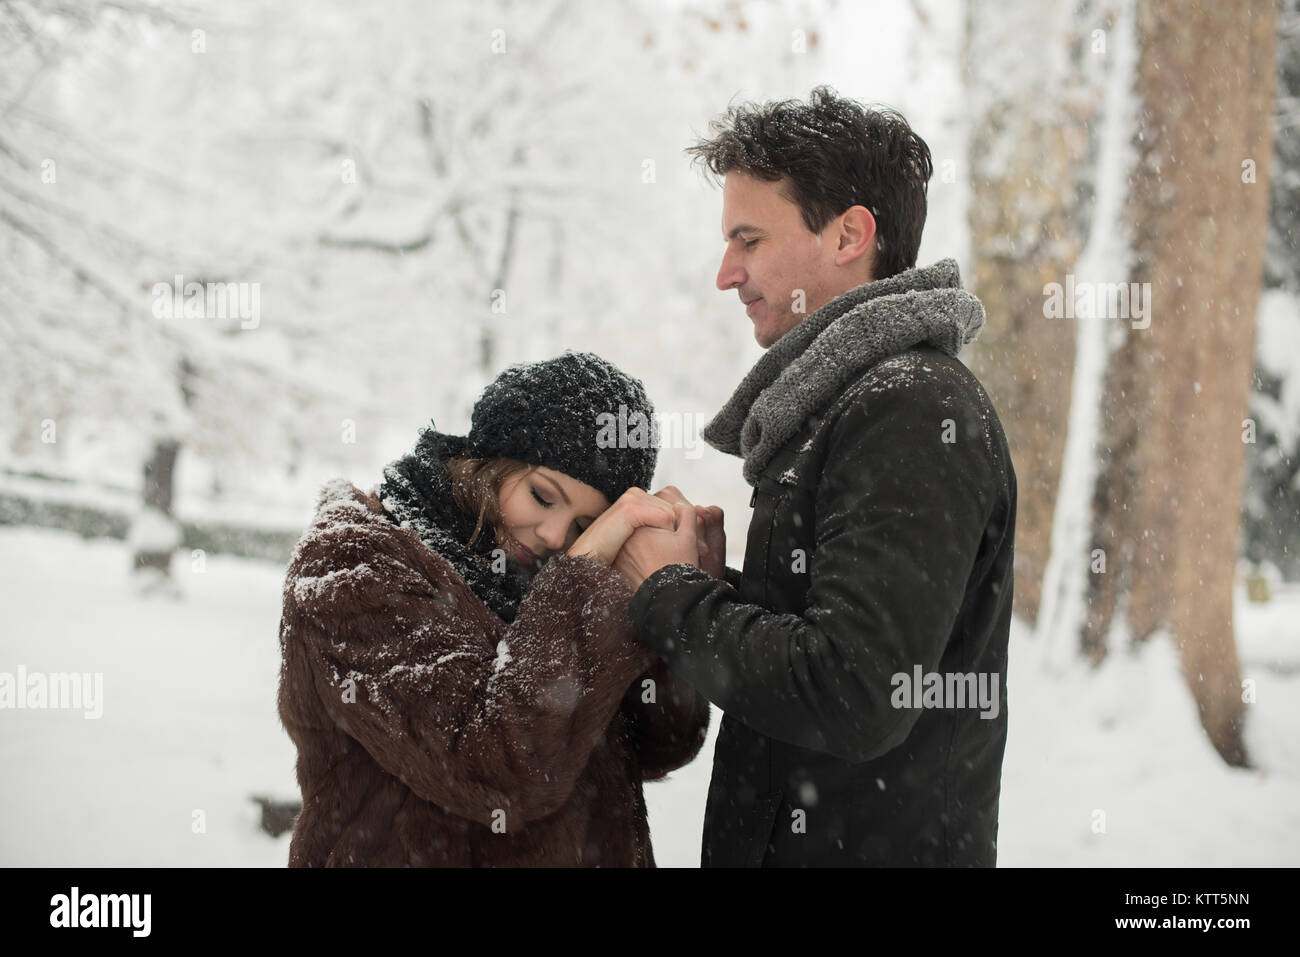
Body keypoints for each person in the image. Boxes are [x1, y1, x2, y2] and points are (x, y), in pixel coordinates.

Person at [615, 87, 1018, 866]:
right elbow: (828, 640)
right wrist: (715, 586)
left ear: (850, 235)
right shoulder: (841, 403)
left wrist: (674, 597)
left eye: (749, 239)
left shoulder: (907, 409)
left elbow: (857, 693)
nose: (727, 273)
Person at [277, 351, 711, 866]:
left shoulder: (556, 585)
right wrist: (585, 575)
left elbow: (664, 743)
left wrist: (674, 599)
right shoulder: (355, 562)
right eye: (542, 497)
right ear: (491, 461)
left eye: (583, 527)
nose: (554, 536)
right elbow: (494, 769)